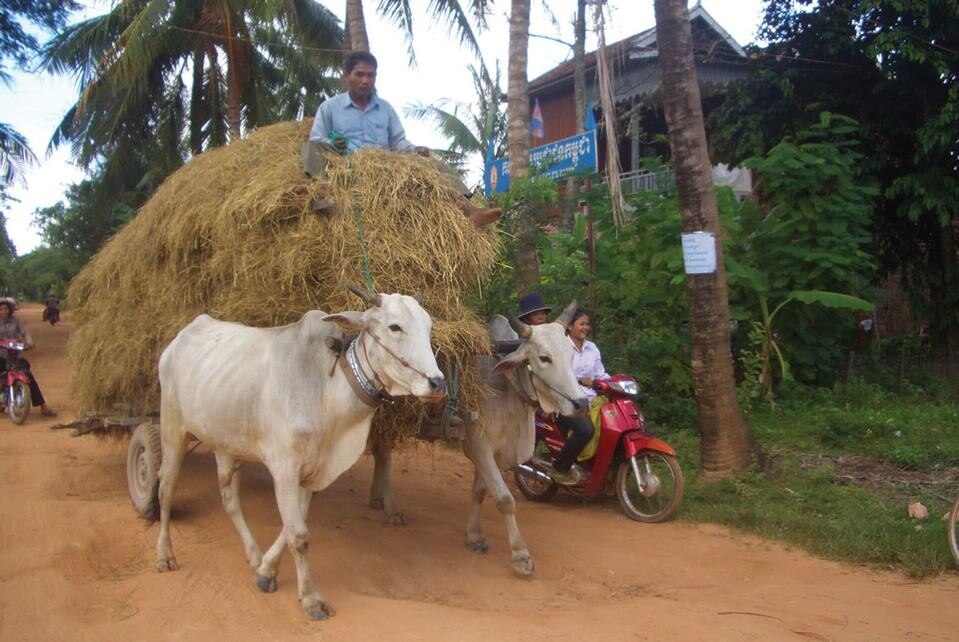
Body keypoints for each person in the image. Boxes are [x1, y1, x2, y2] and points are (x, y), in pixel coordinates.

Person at [308, 51, 501, 228]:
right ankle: (323, 194)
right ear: (347, 76)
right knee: (310, 148)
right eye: (360, 74)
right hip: (346, 165)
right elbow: (317, 139)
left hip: (383, 165)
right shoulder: (330, 107)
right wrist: (332, 144)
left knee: (433, 163)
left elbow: (398, 141)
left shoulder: (385, 109)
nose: (366, 80)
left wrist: (415, 150)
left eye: (371, 75)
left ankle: (470, 209)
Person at [518, 294, 602, 484]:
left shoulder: (558, 340)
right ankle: (560, 467)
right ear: (525, 319)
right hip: (558, 400)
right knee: (585, 430)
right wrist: (548, 405)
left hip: (579, 396)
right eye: (535, 314)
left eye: (542, 313)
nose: (540, 316)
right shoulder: (527, 344)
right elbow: (534, 377)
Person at [0, 298, 56, 416]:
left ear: (10, 310)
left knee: (28, 376)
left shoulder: (17, 321)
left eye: (5, 309)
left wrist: (29, 343)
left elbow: (25, 332)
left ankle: (43, 406)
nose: (3, 311)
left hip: (16, 356)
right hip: (1, 356)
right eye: (1, 309)